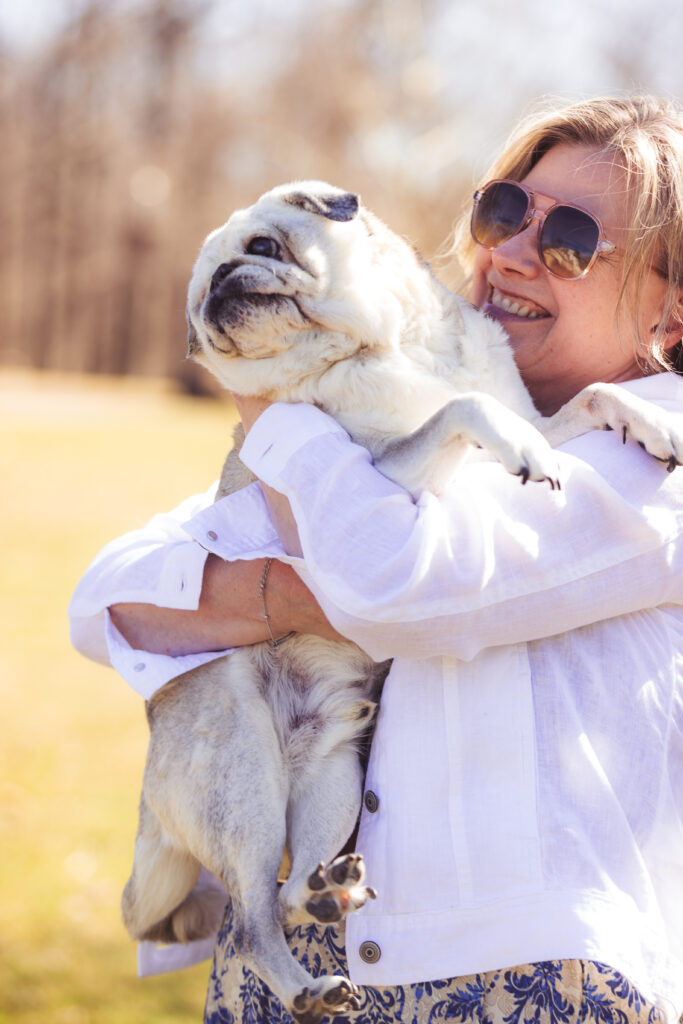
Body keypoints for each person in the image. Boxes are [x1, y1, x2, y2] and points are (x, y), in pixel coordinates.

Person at [69, 94, 683, 1024]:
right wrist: (281, 593)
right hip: (306, 959)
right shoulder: (409, 421)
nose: (511, 251)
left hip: (523, 981)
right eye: (503, 211)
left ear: (669, 313)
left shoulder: (652, 462)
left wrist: (271, 397)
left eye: (570, 239)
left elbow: (396, 586)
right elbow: (109, 598)